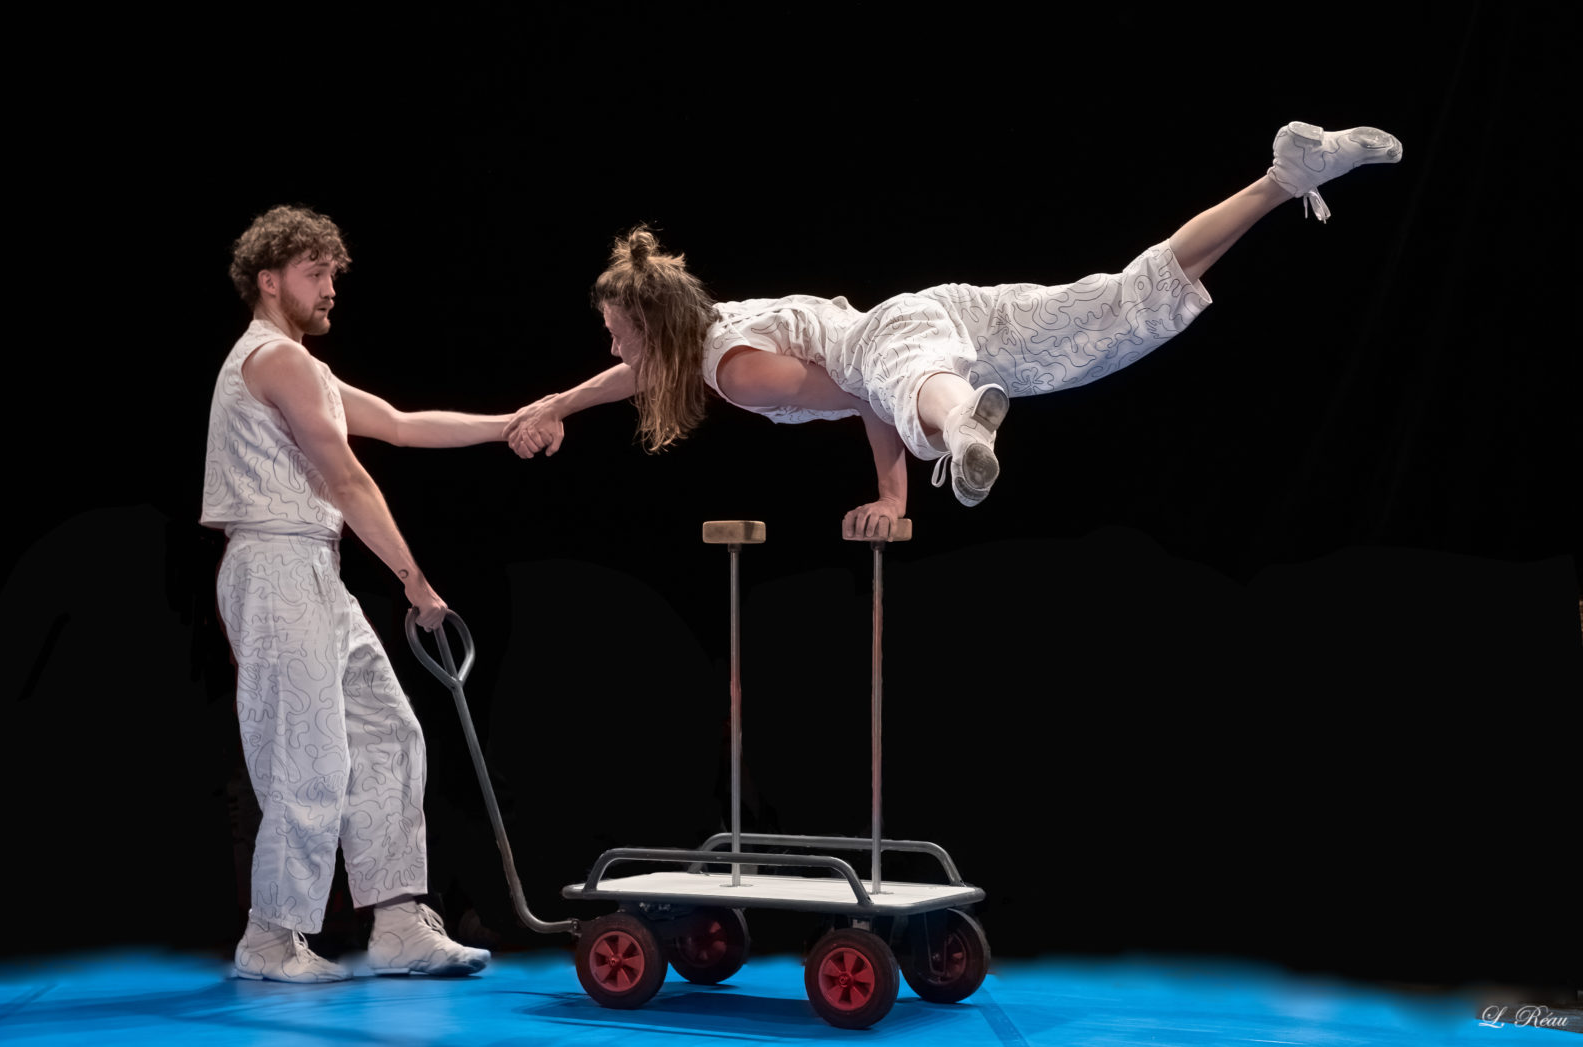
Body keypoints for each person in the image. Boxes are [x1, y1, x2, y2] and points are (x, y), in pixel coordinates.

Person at [504, 122, 1403, 537]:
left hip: (898, 342)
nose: (614, 350)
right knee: (1131, 301)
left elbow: (864, 388)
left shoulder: (734, 371)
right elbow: (636, 373)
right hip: (959, 314)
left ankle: (965, 423)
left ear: (655, 327)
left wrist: (895, 499)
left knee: (907, 384)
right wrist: (562, 399)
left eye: (618, 331)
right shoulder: (710, 322)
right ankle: (1284, 180)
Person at [203, 204, 512, 982]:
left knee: (388, 731)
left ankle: (401, 920)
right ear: (269, 281)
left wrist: (514, 420)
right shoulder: (273, 359)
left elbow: (403, 425)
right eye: (316, 272)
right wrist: (414, 577)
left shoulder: (307, 368)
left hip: (314, 567)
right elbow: (346, 474)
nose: (332, 286)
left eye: (334, 272)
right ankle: (270, 936)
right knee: (306, 753)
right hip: (275, 564)